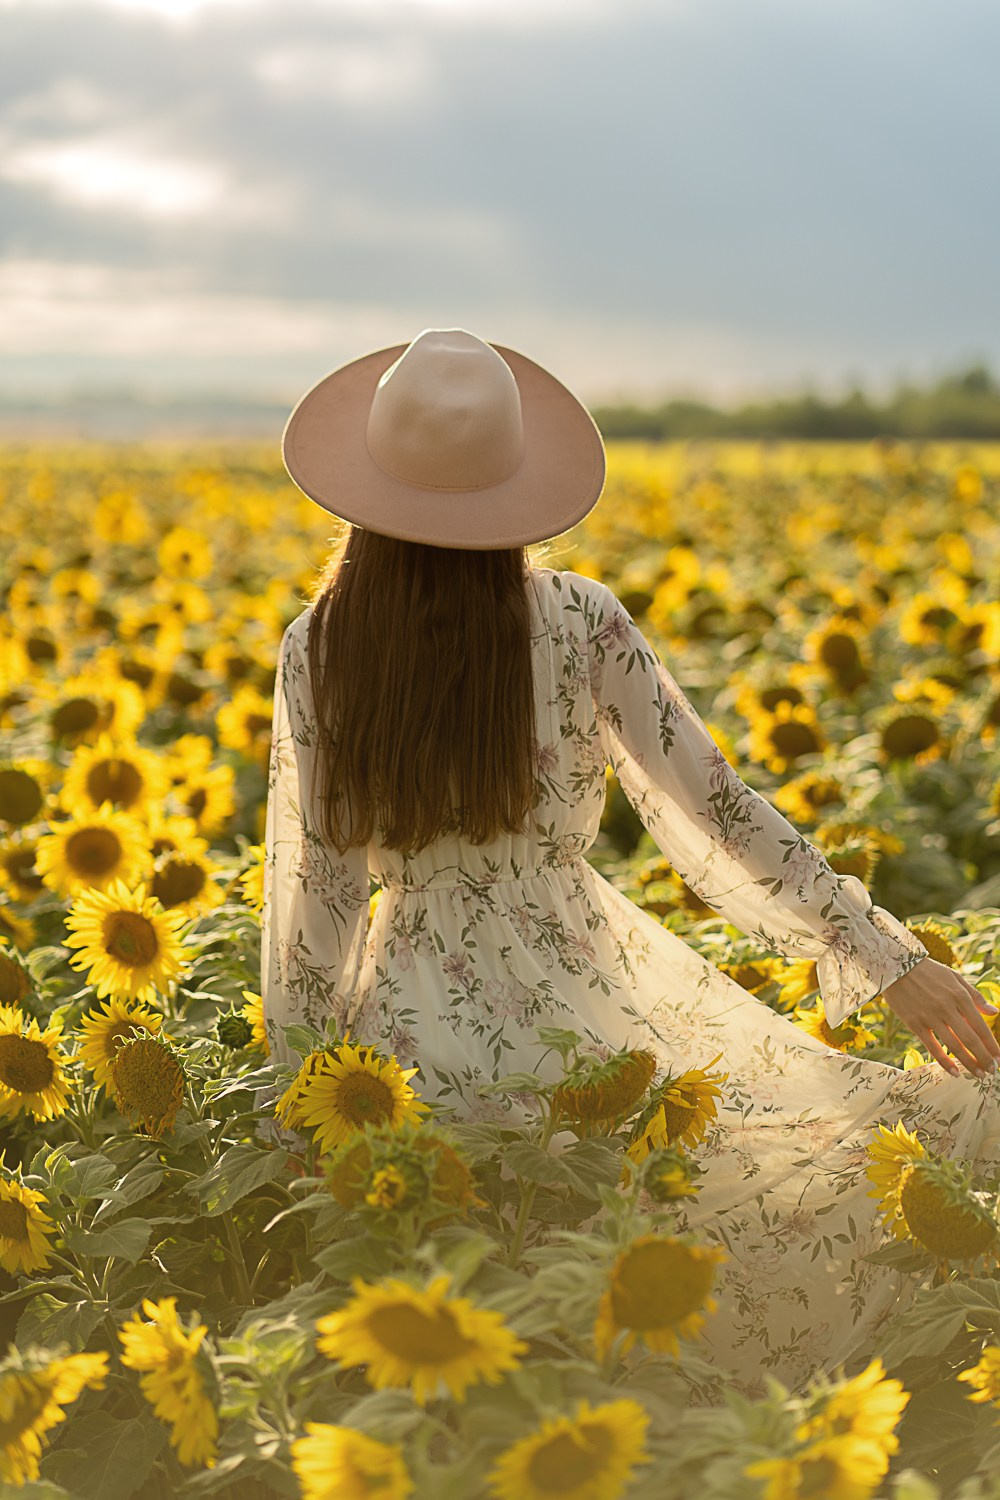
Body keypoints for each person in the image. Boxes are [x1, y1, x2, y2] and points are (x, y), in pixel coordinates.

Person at [258, 326, 1000, 1402]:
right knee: (734, 1215)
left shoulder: (321, 644)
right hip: (584, 1003)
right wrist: (885, 958)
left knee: (486, 1342)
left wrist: (305, 1097)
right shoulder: (578, 622)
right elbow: (719, 818)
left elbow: (311, 898)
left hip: (415, 1037)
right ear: (512, 488)